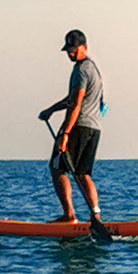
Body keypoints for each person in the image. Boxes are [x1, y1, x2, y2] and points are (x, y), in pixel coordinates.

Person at [38, 29, 105, 225]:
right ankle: (96, 217)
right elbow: (74, 98)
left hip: (78, 127)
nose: (71, 54)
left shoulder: (81, 70)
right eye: (68, 50)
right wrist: (52, 109)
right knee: (83, 173)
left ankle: (69, 216)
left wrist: (65, 133)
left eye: (74, 50)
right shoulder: (94, 69)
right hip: (94, 128)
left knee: (57, 169)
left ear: (85, 47)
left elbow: (76, 103)